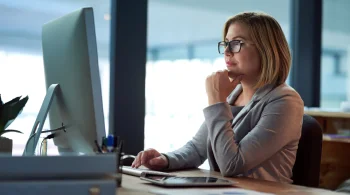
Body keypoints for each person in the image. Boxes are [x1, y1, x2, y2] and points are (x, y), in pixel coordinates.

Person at [131, 11, 304, 183]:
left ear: (265, 49)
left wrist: (216, 100)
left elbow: (232, 164)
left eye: (237, 43)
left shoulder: (286, 101)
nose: (227, 52)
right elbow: (197, 149)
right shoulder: (232, 96)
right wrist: (165, 159)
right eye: (226, 43)